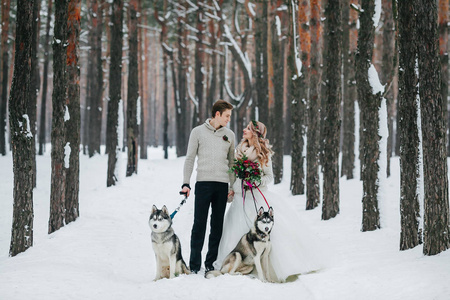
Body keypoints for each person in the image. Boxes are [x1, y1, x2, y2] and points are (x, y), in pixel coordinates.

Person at [216, 120, 327, 282]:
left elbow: (269, 177)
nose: (244, 130)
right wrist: (231, 189)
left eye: (248, 128)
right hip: (239, 199)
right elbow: (233, 175)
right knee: (235, 233)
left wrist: (255, 181)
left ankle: (272, 268)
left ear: (255, 133)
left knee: (266, 233)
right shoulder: (238, 150)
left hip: (257, 198)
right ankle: (239, 265)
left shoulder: (263, 153)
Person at [181, 100, 236, 274]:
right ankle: (195, 265)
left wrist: (232, 186)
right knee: (199, 225)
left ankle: (211, 263)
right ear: (217, 114)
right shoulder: (197, 132)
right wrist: (186, 183)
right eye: (227, 116)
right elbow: (190, 158)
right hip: (203, 184)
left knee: (217, 226)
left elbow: (232, 163)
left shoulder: (230, 135)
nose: (229, 119)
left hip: (221, 186)